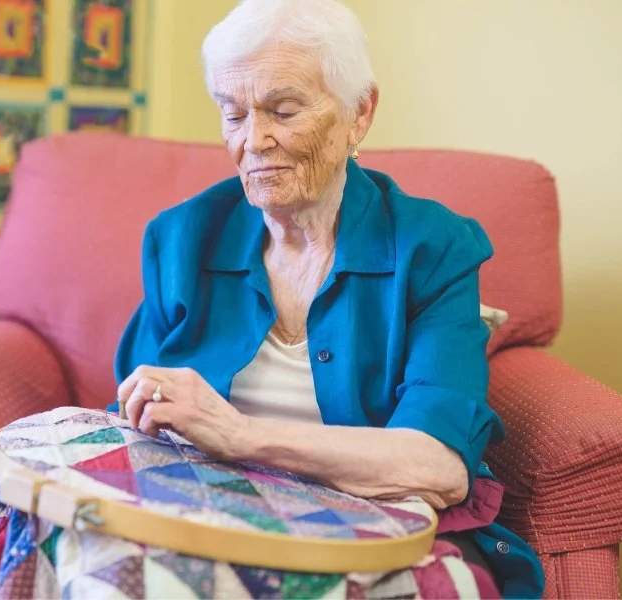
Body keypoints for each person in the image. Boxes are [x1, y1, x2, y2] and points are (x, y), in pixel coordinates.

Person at [109, 0, 544, 596]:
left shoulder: (433, 249)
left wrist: (240, 436)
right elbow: (134, 417)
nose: (253, 141)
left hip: (378, 529)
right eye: (231, 114)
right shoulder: (182, 239)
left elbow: (439, 467)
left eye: (283, 111)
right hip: (204, 514)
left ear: (359, 113)